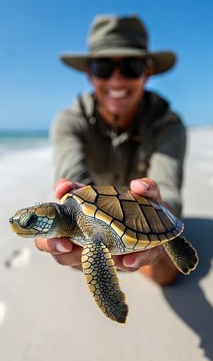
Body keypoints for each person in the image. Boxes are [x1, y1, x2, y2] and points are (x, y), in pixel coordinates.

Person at [35, 14, 186, 285]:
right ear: (89, 74)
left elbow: (169, 193)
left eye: (131, 66)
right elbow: (71, 184)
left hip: (146, 215)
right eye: (103, 67)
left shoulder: (168, 125)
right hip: (93, 220)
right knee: (73, 251)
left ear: (147, 72)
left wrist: (161, 210)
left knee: (164, 274)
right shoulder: (69, 121)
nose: (116, 80)